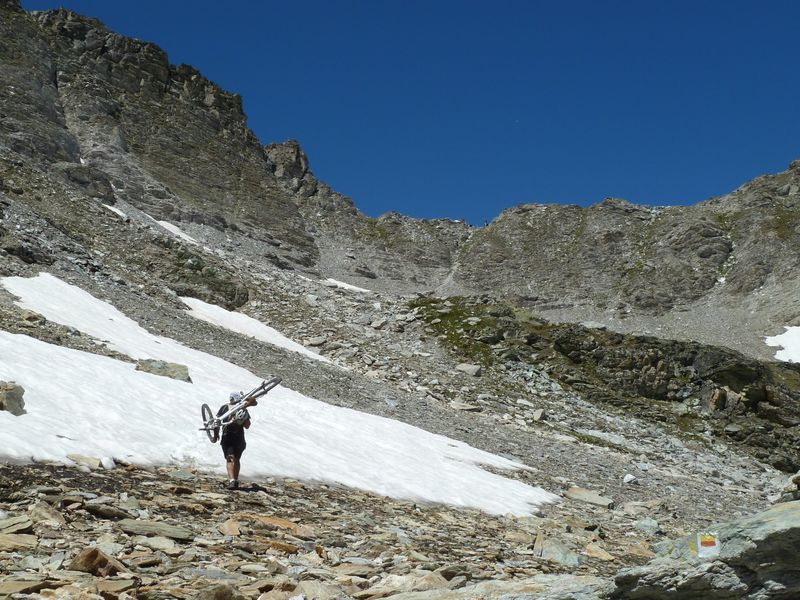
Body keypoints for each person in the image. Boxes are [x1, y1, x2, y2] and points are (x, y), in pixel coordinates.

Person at [217, 391, 258, 489]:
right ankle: (233, 480)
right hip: (230, 437)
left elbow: (247, 425)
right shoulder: (225, 408)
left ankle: (234, 480)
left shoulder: (242, 408)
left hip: (237, 437)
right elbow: (217, 421)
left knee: (235, 458)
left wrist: (243, 419)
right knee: (231, 458)